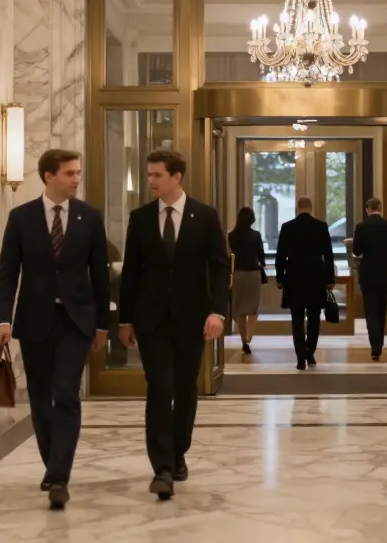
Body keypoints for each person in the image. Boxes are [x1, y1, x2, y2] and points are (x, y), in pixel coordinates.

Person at [0, 149, 110, 510]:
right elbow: (8, 272)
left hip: (76, 320)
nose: (77, 178)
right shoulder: (21, 217)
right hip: (35, 320)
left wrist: (103, 324)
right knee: (42, 398)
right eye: (70, 173)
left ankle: (60, 475)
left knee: (67, 393)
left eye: (78, 172)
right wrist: (3, 319)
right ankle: (51, 463)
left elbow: (100, 274)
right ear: (49, 176)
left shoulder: (89, 217)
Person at [118, 149, 229, 501]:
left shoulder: (205, 217)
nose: (151, 181)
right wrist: (125, 318)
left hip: (191, 317)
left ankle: (179, 450)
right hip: (151, 320)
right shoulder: (140, 218)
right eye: (148, 175)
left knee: (184, 387)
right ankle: (161, 467)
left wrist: (217, 312)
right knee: (159, 387)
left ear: (176, 177)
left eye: (157, 175)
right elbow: (131, 271)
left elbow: (219, 267)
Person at [275, 196, 335, 370]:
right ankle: (310, 354)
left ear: (297, 208)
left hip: (294, 278)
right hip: (316, 278)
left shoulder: (287, 228)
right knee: (315, 317)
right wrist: (330, 278)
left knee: (297, 318)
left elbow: (280, 256)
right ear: (311, 208)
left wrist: (280, 278)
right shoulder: (321, 227)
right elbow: (328, 256)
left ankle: (300, 357)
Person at [351, 197, 387, 361]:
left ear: (367, 209)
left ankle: (374, 347)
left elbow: (356, 251)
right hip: (384, 273)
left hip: (368, 273)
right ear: (380, 208)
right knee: (382, 310)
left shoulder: (361, 227)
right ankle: (380, 344)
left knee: (370, 311)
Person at [228, 206, 268, 355]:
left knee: (240, 311)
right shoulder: (256, 235)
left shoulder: (231, 236)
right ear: (252, 219)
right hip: (253, 274)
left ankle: (243, 340)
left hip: (238, 274)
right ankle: (249, 337)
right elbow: (261, 256)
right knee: (252, 308)